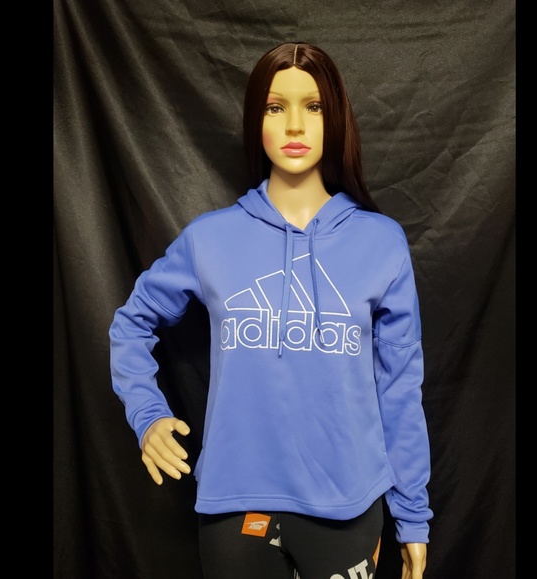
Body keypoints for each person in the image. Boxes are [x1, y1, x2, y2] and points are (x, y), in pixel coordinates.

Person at [109, 41, 433, 579]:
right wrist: (148, 415)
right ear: (255, 121)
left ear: (336, 119)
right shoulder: (211, 240)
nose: (295, 125)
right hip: (235, 509)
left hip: (348, 508)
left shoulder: (381, 244)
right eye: (275, 107)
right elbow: (131, 322)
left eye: (314, 106)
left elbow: (399, 388)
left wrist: (413, 514)